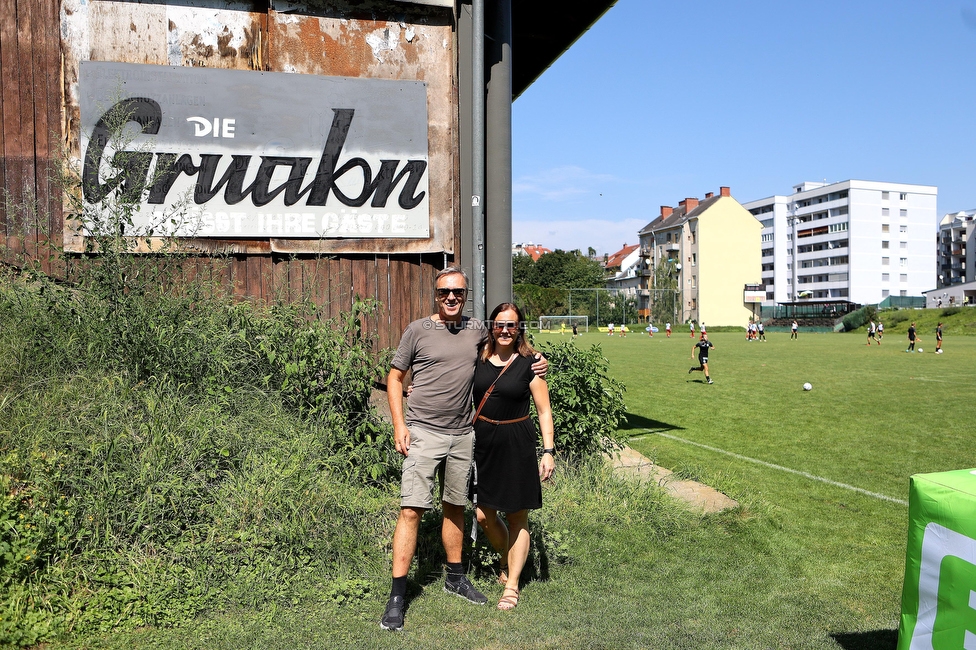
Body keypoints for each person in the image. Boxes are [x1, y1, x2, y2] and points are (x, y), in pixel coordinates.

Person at [381, 267, 546, 631]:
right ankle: (397, 596)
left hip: (463, 435)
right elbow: (395, 378)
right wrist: (400, 425)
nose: (451, 298)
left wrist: (539, 358)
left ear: (467, 294)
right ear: (435, 295)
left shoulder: (477, 330)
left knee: (455, 506)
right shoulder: (417, 330)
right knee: (411, 509)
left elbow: (511, 343)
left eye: (458, 292)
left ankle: (455, 577)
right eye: (444, 293)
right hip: (423, 432)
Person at [471, 303, 555, 611]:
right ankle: (508, 560)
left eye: (512, 326)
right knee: (483, 515)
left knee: (517, 515)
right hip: (482, 442)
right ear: (491, 326)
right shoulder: (477, 357)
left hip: (516, 441)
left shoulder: (531, 363)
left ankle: (512, 584)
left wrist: (548, 451)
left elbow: (544, 411)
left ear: (519, 329)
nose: (505, 330)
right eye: (500, 325)